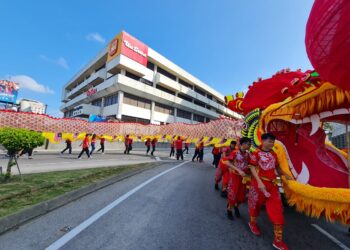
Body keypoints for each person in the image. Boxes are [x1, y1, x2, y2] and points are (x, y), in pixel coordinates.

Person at [248, 133, 291, 250]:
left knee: (277, 211)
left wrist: (287, 175)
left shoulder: (273, 153)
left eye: (273, 142)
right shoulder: (256, 153)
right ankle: (252, 223)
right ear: (262, 141)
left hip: (272, 186)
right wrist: (260, 182)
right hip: (259, 184)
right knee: (255, 205)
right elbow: (252, 167)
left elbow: (277, 168)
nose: (271, 144)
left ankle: (278, 241)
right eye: (269, 141)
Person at [225, 137, 251, 220]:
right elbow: (227, 162)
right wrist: (238, 170)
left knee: (242, 196)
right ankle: (229, 209)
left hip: (244, 178)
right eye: (248, 144)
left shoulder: (248, 154)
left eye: (250, 144)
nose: (249, 146)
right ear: (242, 144)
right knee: (233, 194)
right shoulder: (235, 153)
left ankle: (236, 206)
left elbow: (251, 164)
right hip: (235, 176)